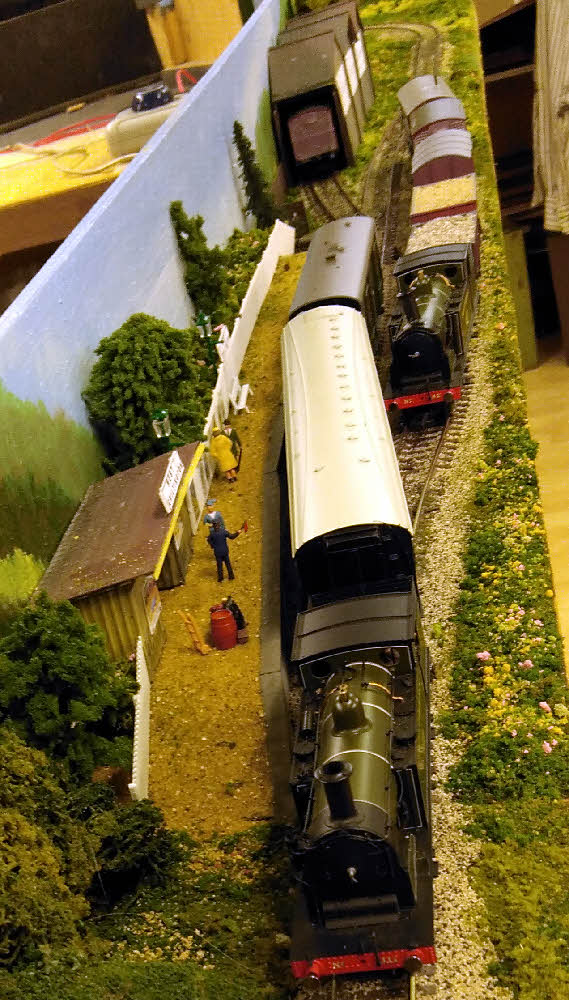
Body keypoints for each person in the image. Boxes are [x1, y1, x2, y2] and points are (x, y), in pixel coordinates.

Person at [207, 518, 242, 582]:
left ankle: (220, 578)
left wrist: (213, 546)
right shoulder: (223, 531)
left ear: (213, 525)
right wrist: (238, 533)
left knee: (219, 566)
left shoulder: (212, 534)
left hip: (217, 552)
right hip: (224, 551)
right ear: (219, 524)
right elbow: (231, 536)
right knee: (228, 564)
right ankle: (231, 576)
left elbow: (209, 540)